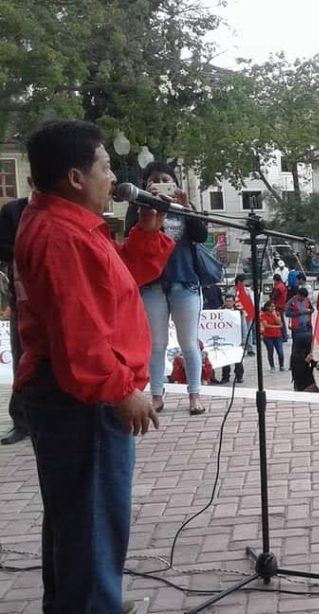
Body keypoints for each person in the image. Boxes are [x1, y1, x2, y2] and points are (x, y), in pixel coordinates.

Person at [16, 120, 172, 612]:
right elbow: (79, 334)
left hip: (69, 396)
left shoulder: (67, 224)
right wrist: (121, 388)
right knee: (92, 518)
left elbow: (119, 279)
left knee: (76, 518)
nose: (114, 178)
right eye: (105, 167)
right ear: (76, 177)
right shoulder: (62, 236)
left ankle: (82, 601)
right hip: (80, 401)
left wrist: (147, 235)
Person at [126, 161, 208, 416]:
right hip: (152, 284)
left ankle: (194, 395)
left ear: (175, 182)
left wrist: (186, 208)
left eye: (165, 178)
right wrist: (145, 202)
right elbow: (131, 234)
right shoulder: (141, 206)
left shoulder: (182, 206)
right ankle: (157, 395)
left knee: (189, 343)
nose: (160, 182)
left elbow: (201, 235)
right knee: (156, 343)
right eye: (154, 179)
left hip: (184, 280)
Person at [0, 196, 29, 445]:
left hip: (60, 293)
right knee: (21, 354)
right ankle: (21, 420)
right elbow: (3, 246)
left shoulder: (69, 205)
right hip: (23, 294)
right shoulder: (14, 210)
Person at [217, 294, 245, 385]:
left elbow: (243, 326)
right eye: (227, 301)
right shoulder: (220, 311)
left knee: (238, 359)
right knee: (225, 359)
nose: (228, 303)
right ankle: (225, 376)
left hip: (236, 338)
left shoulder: (239, 312)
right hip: (224, 338)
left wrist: (243, 338)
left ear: (233, 302)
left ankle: (239, 376)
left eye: (230, 301)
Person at [260, 301, 285, 371]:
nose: (273, 308)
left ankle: (281, 365)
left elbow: (280, 323)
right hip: (268, 336)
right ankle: (272, 366)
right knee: (270, 351)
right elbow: (266, 325)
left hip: (278, 335)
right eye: (271, 306)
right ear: (267, 307)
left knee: (280, 352)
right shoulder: (263, 315)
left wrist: (274, 315)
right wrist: (277, 327)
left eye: (274, 306)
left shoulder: (277, 313)